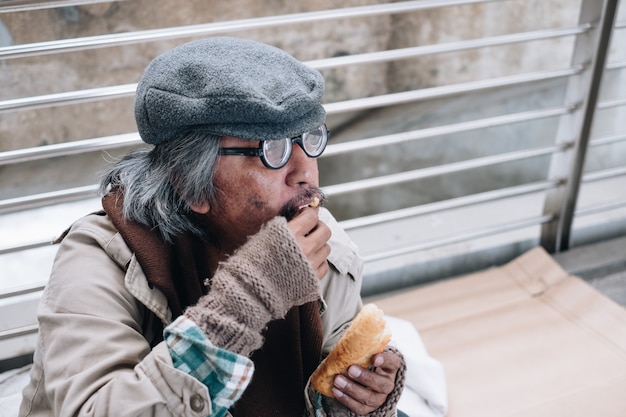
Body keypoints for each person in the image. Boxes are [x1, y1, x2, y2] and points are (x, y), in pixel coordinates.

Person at [18, 36, 406, 417]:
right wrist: (249, 297)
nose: (306, 173)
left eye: (310, 138)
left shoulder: (318, 240)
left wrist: (353, 395)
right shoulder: (99, 259)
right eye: (273, 150)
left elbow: (331, 356)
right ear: (189, 182)